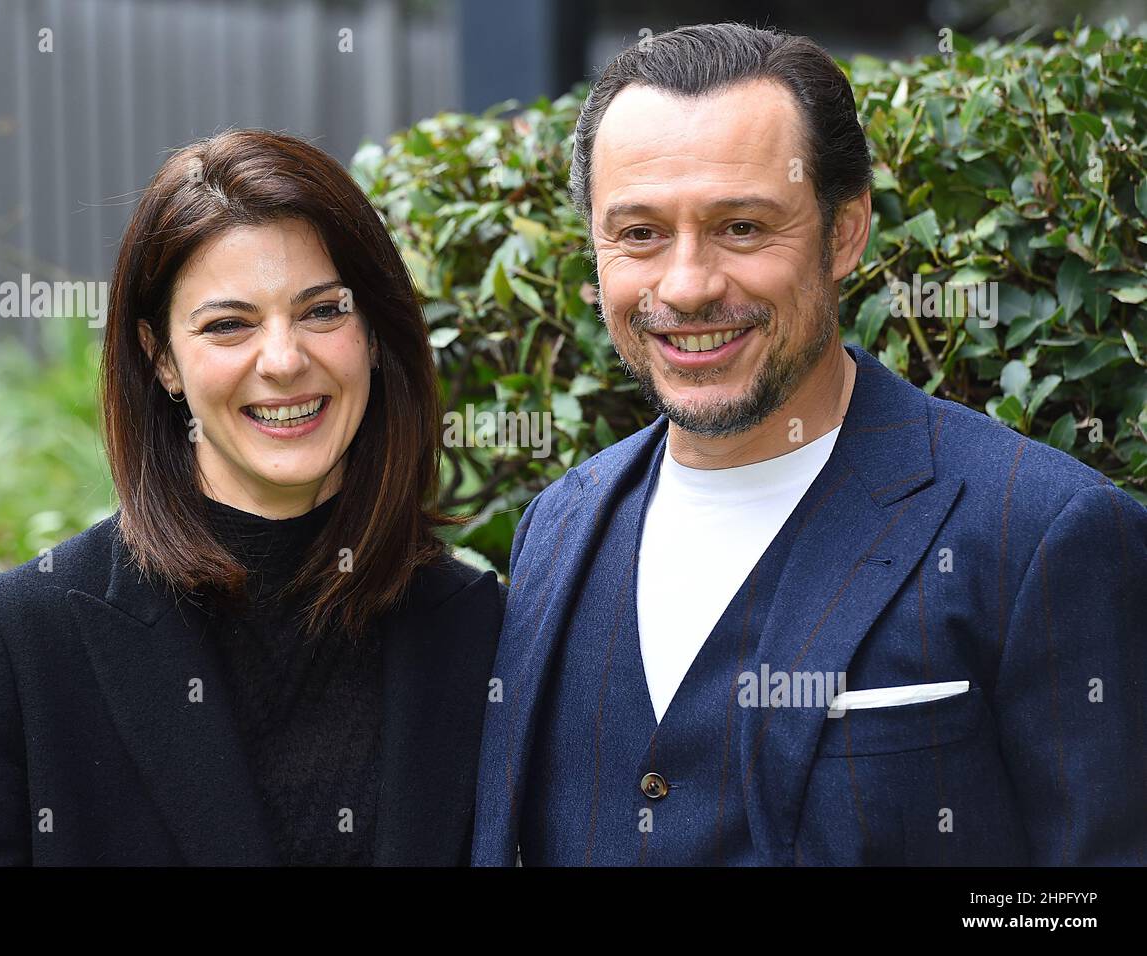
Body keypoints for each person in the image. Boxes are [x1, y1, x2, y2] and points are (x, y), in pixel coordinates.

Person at [472, 22, 1147, 866]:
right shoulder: (554, 531)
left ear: (845, 233)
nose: (686, 286)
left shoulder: (1045, 532)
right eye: (639, 233)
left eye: (744, 228)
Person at [0, 129, 502, 866]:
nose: (283, 360)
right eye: (228, 325)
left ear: (374, 334)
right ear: (162, 361)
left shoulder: (480, 628)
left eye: (322, 311)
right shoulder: (17, 643)